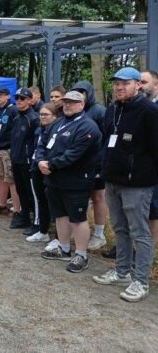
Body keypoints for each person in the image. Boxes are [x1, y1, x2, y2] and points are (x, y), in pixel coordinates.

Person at [92, 67, 158, 302]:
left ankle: (140, 281)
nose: (120, 87)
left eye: (126, 83)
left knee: (139, 232)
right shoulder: (112, 110)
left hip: (138, 183)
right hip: (113, 180)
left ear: (138, 85)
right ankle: (122, 271)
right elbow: (108, 142)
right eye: (117, 83)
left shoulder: (149, 111)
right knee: (120, 228)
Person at [36, 91, 102, 273]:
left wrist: (50, 164)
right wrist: (40, 160)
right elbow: (42, 142)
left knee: (77, 219)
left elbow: (74, 154)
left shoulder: (88, 126)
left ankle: (81, 254)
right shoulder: (58, 122)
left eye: (73, 102)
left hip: (76, 181)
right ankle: (63, 248)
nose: (68, 105)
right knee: (60, 215)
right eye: (65, 102)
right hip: (54, 179)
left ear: (82, 104)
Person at [71, 80, 108, 251]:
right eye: (76, 91)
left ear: (89, 93)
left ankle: (99, 234)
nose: (80, 94)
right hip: (77, 164)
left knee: (98, 197)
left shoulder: (99, 111)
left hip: (97, 164)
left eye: (83, 91)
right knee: (79, 197)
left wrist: (102, 162)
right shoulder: (73, 109)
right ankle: (78, 230)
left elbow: (107, 138)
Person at [1, 88, 39, 228]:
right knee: (20, 190)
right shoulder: (16, 117)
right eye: (17, 98)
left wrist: (32, 159)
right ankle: (24, 217)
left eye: (22, 98)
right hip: (16, 159)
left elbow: (36, 142)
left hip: (27, 161)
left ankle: (36, 220)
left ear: (29, 100)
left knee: (31, 192)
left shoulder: (33, 118)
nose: (19, 101)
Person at [0, 88, 21, 224]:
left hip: (8, 149)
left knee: (11, 180)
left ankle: (17, 210)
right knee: (0, 177)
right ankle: (2, 205)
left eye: (1, 95)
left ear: (8, 96)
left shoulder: (13, 110)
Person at [26, 103, 58, 243]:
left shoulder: (57, 130)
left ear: (55, 116)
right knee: (41, 200)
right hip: (36, 166)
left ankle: (59, 237)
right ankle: (43, 230)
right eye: (41, 114)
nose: (43, 117)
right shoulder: (40, 130)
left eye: (46, 114)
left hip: (51, 169)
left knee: (55, 203)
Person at [140, 70, 158, 242]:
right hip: (141, 168)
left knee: (153, 210)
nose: (140, 86)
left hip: (154, 168)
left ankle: (149, 251)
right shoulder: (139, 105)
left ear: (156, 84)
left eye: (144, 82)